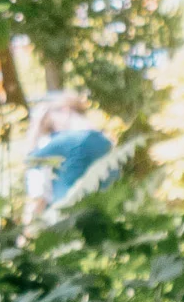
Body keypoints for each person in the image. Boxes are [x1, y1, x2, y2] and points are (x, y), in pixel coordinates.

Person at [21, 83, 120, 231]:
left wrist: (36, 125)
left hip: (67, 221)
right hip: (104, 218)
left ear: (65, 111)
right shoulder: (105, 142)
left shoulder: (64, 141)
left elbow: (30, 161)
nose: (53, 129)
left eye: (52, 122)